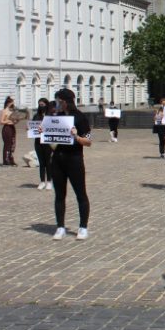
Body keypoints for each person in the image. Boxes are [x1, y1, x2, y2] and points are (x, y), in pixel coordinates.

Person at [45, 88, 93, 241]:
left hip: (74, 159)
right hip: (58, 159)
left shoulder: (80, 118)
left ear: (65, 102)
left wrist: (76, 136)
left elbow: (88, 141)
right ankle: (60, 227)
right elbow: (50, 137)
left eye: (59, 101)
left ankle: (83, 227)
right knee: (59, 195)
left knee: (81, 193)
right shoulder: (56, 117)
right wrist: (43, 131)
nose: (57, 104)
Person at [32, 98, 53, 190]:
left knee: (48, 162)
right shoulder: (36, 116)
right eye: (40, 105)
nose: (41, 107)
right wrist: (29, 129)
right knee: (41, 163)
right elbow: (32, 126)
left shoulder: (51, 116)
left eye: (43, 105)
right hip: (38, 141)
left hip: (48, 142)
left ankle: (49, 181)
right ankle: (42, 181)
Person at [0, 96, 21, 166]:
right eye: (11, 103)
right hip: (7, 128)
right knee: (7, 144)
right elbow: (1, 122)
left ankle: (11, 159)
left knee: (12, 143)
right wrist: (9, 120)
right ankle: (5, 160)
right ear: (8, 103)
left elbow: (15, 121)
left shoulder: (12, 111)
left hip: (12, 127)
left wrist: (17, 120)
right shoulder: (4, 111)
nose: (12, 104)